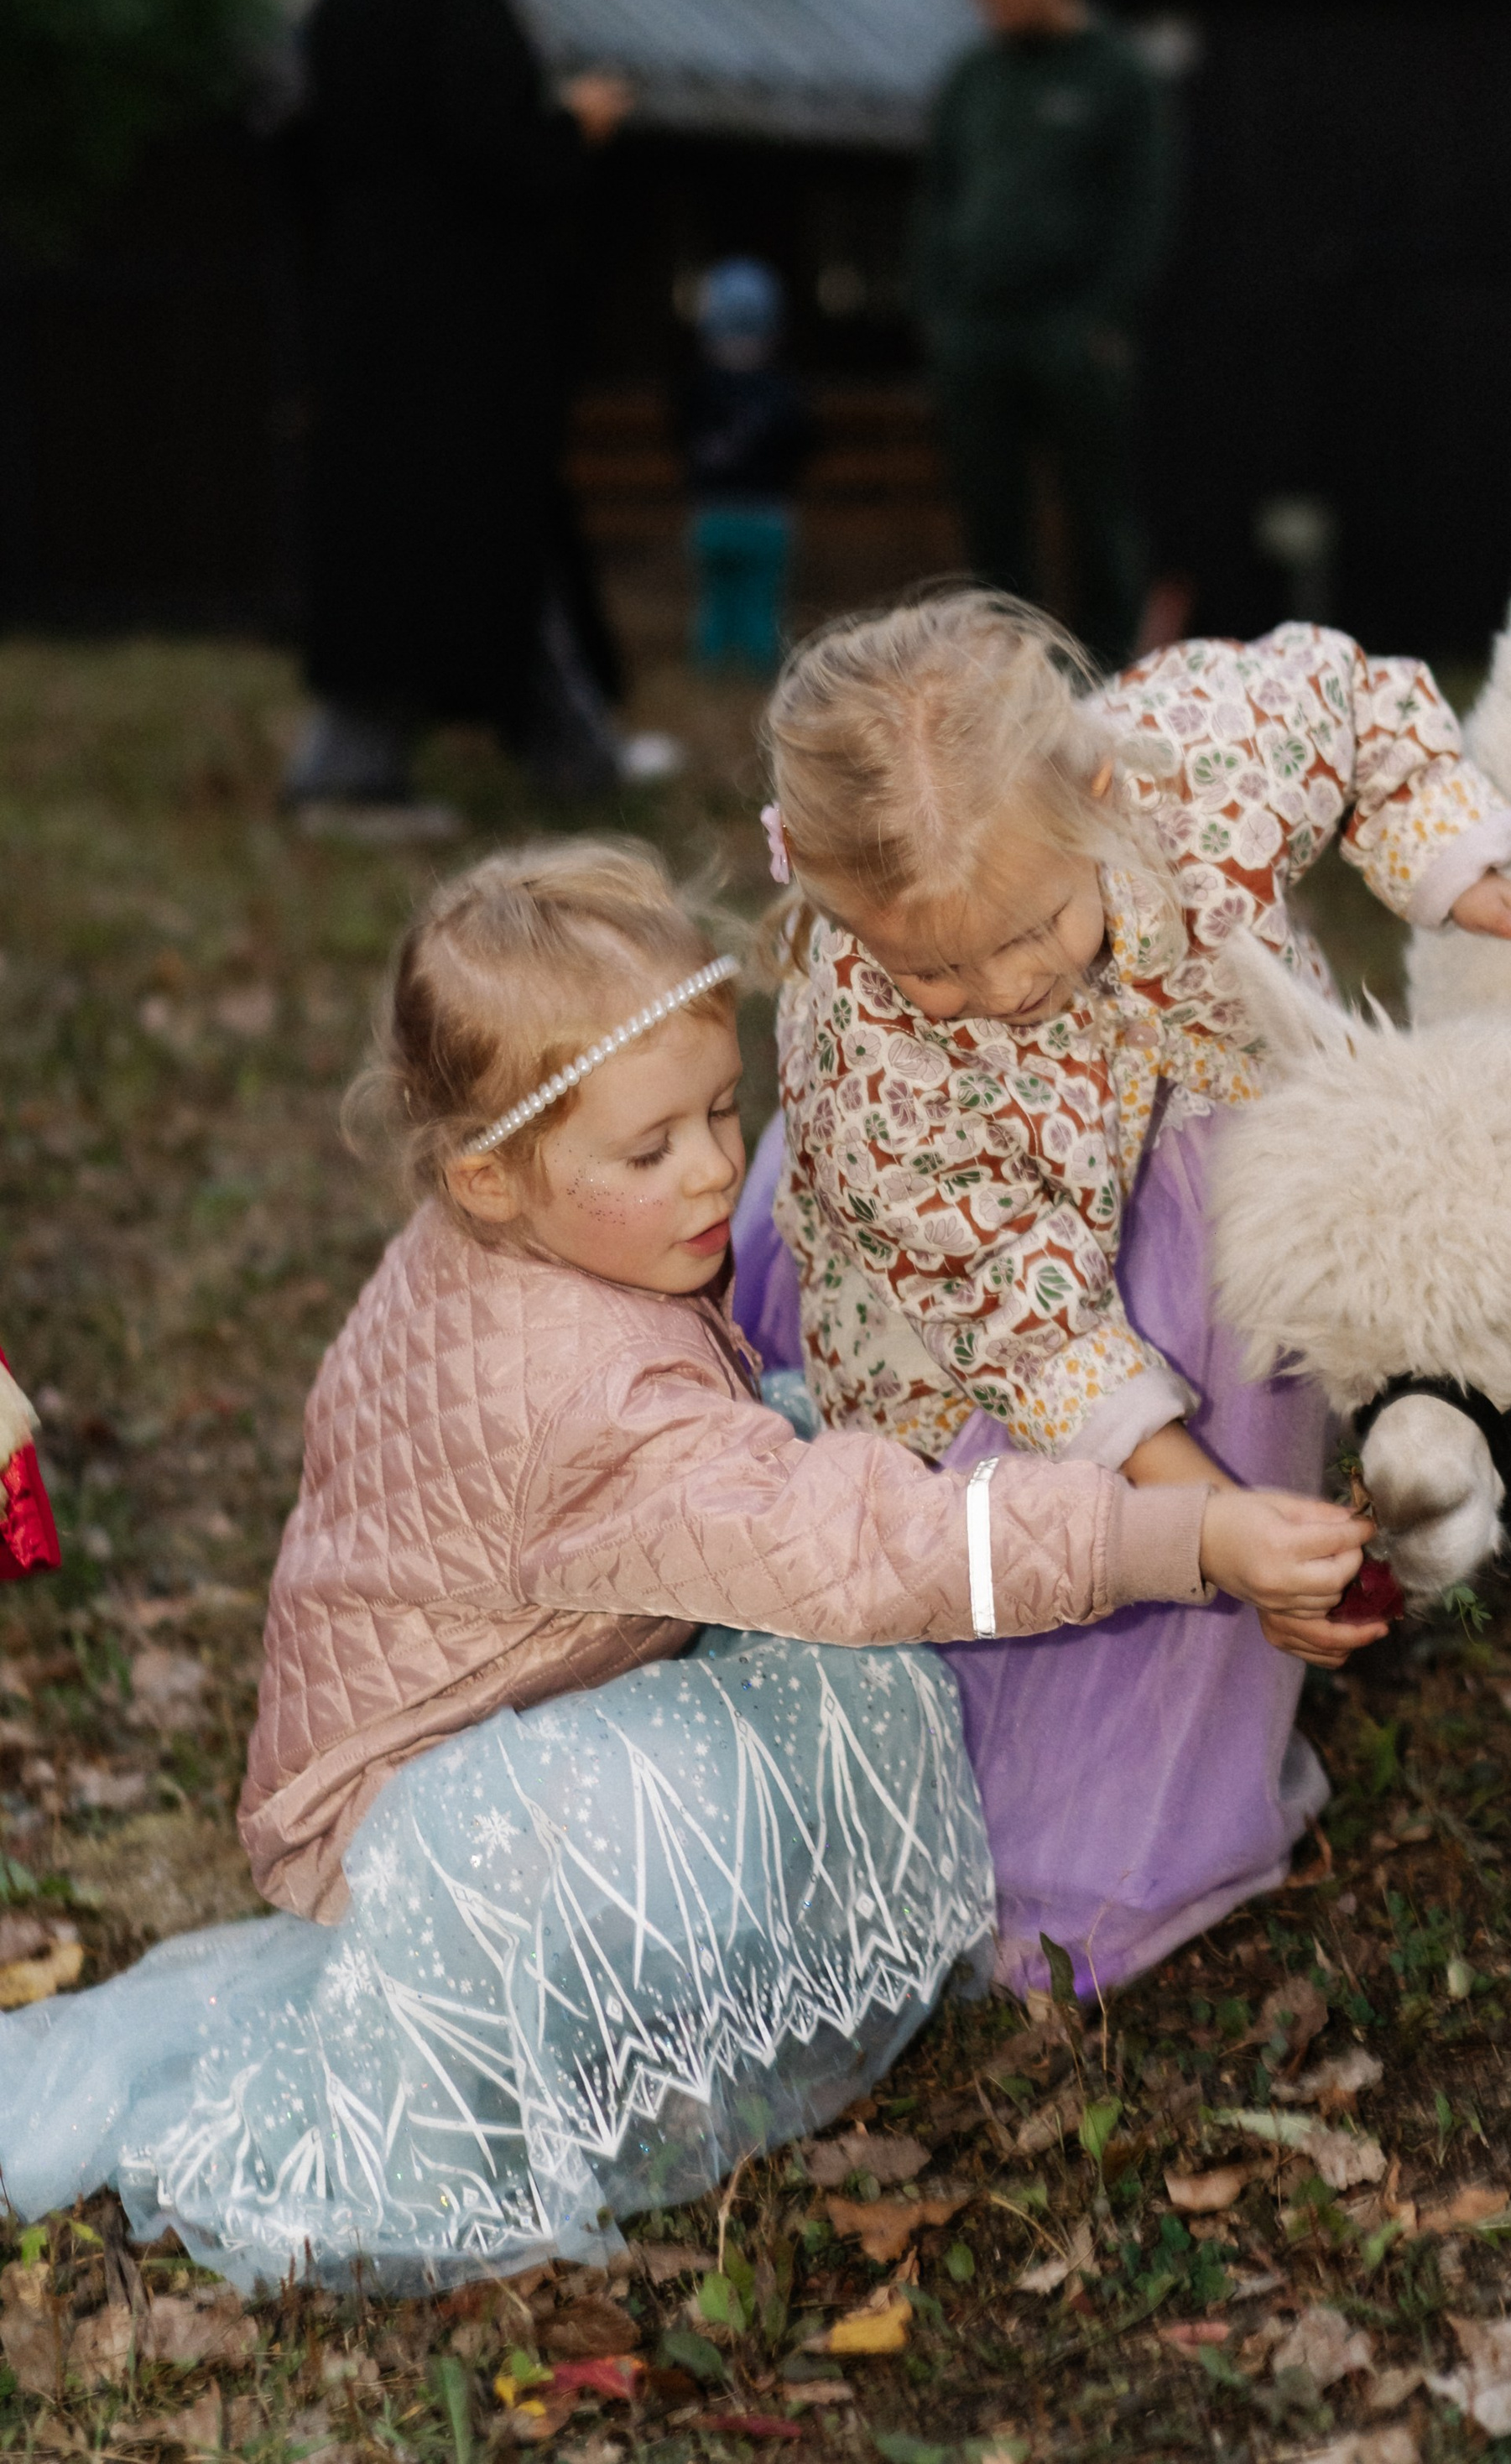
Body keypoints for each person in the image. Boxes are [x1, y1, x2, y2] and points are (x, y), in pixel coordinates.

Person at [0, 840, 1363, 2288]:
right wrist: (1177, 1534)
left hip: (417, 1708)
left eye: (723, 1110)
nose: (718, 1168)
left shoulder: (485, 1243)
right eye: (650, 1151)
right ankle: (555, 2048)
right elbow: (858, 1549)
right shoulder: (591, 1402)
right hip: (421, 1829)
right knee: (835, 1671)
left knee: (778, 1469)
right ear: (494, 1173)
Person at [732, 591, 1511, 1998]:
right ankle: (1036, 1822)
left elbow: (1352, 695)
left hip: (1199, 1135)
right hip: (976, 1287)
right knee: (1045, 1531)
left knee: (1238, 1352)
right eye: (932, 967)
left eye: (1031, 929)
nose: (998, 989)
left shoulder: (1201, 753)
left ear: (1100, 792)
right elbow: (1026, 1321)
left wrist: (1451, 869)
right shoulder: (872, 1057)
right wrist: (1196, 1521)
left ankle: (1195, 1717)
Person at [282, 0, 637, 812]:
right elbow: (498, 159)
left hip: (365, 314)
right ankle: (374, 772)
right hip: (463, 332)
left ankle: (557, 745)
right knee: (476, 536)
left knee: (413, 540)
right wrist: (573, 126)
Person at [916, 0, 1170, 666]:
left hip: (1072, 327)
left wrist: (1102, 318)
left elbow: (1145, 208)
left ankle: (1112, 666)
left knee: (1097, 508)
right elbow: (935, 198)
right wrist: (937, 312)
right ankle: (1013, 673)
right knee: (991, 511)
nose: (992, 11)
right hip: (978, 329)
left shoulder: (1118, 75)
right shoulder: (973, 78)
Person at [680, 255, 812, 675]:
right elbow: (803, 443)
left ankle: (711, 671)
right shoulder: (782, 391)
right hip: (766, 517)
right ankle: (761, 676)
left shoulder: (698, 389)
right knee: (760, 603)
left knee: (716, 603)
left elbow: (681, 439)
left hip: (711, 515)